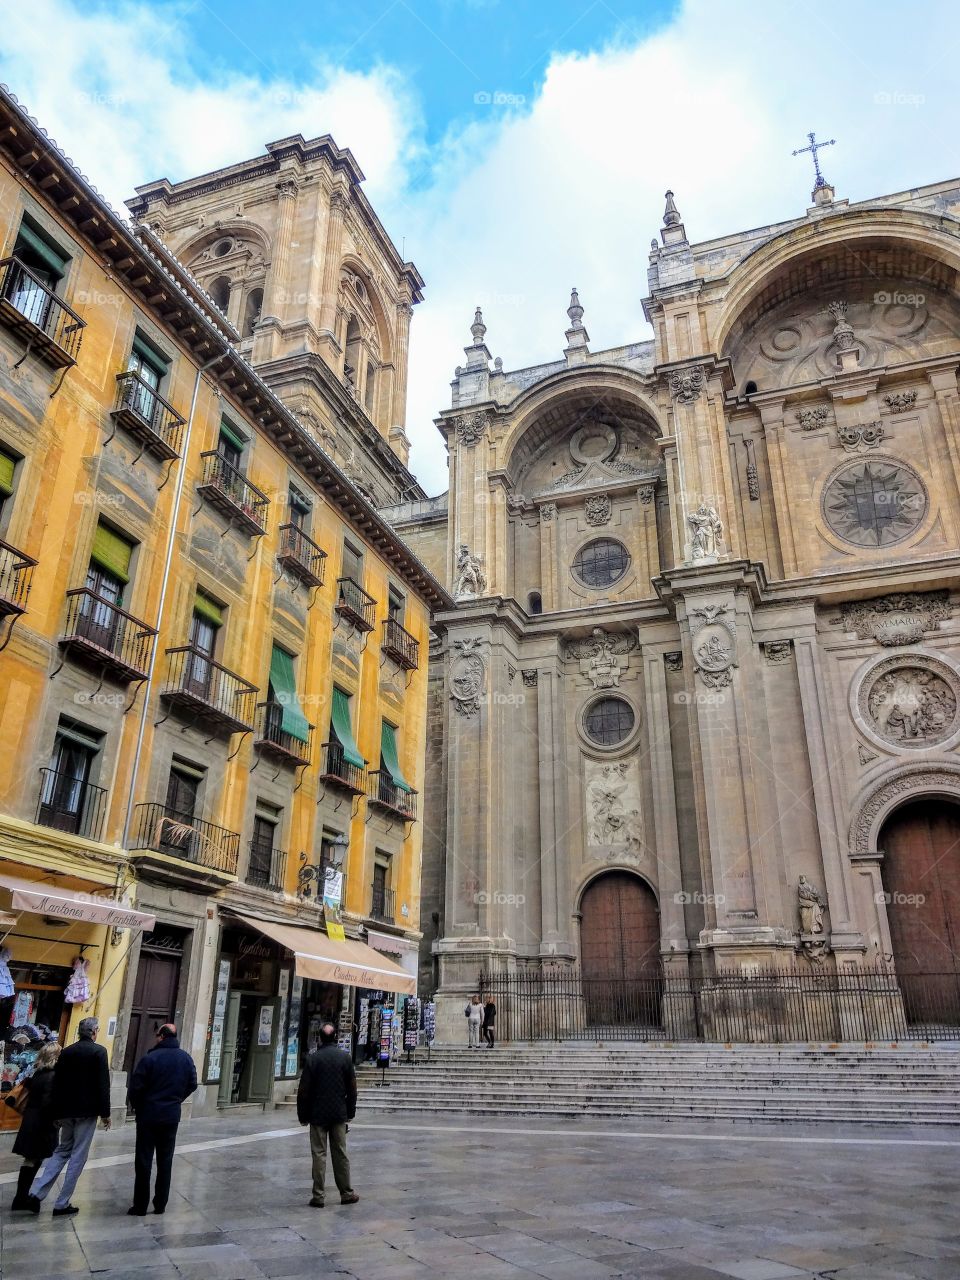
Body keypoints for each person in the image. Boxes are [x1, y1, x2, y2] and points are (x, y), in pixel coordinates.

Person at [26, 1016, 111, 1216]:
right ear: (94, 1031)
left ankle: (36, 1193)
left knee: (62, 1150)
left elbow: (58, 1083)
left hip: (66, 1111)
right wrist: (105, 1113)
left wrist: (55, 1112)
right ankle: (62, 1202)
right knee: (78, 1156)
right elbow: (103, 1085)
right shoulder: (99, 1052)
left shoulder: (68, 1052)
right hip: (87, 1112)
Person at [127, 1023, 197, 1216]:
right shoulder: (185, 1058)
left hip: (148, 1115)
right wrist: (176, 1099)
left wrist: (139, 1106)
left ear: (161, 1037)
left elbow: (136, 1087)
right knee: (166, 1161)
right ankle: (160, 1204)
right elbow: (192, 1083)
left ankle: (140, 1205)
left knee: (143, 1161)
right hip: (170, 1116)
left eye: (157, 1034)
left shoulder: (150, 1058)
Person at [296, 1022, 359, 1209]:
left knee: (319, 1154)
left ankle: (318, 1196)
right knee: (340, 1154)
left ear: (320, 1038)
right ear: (336, 1037)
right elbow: (352, 1088)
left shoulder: (313, 1059)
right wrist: (350, 1112)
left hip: (317, 1114)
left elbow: (304, 1090)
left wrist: (303, 1115)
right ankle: (346, 1193)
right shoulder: (345, 1058)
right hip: (338, 1113)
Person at [10, 1041, 61, 1211]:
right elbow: (48, 1102)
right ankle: (21, 1198)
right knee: (34, 1158)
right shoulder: (53, 1076)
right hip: (42, 1123)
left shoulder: (37, 1074)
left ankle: (21, 1196)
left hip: (31, 1119)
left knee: (31, 1159)